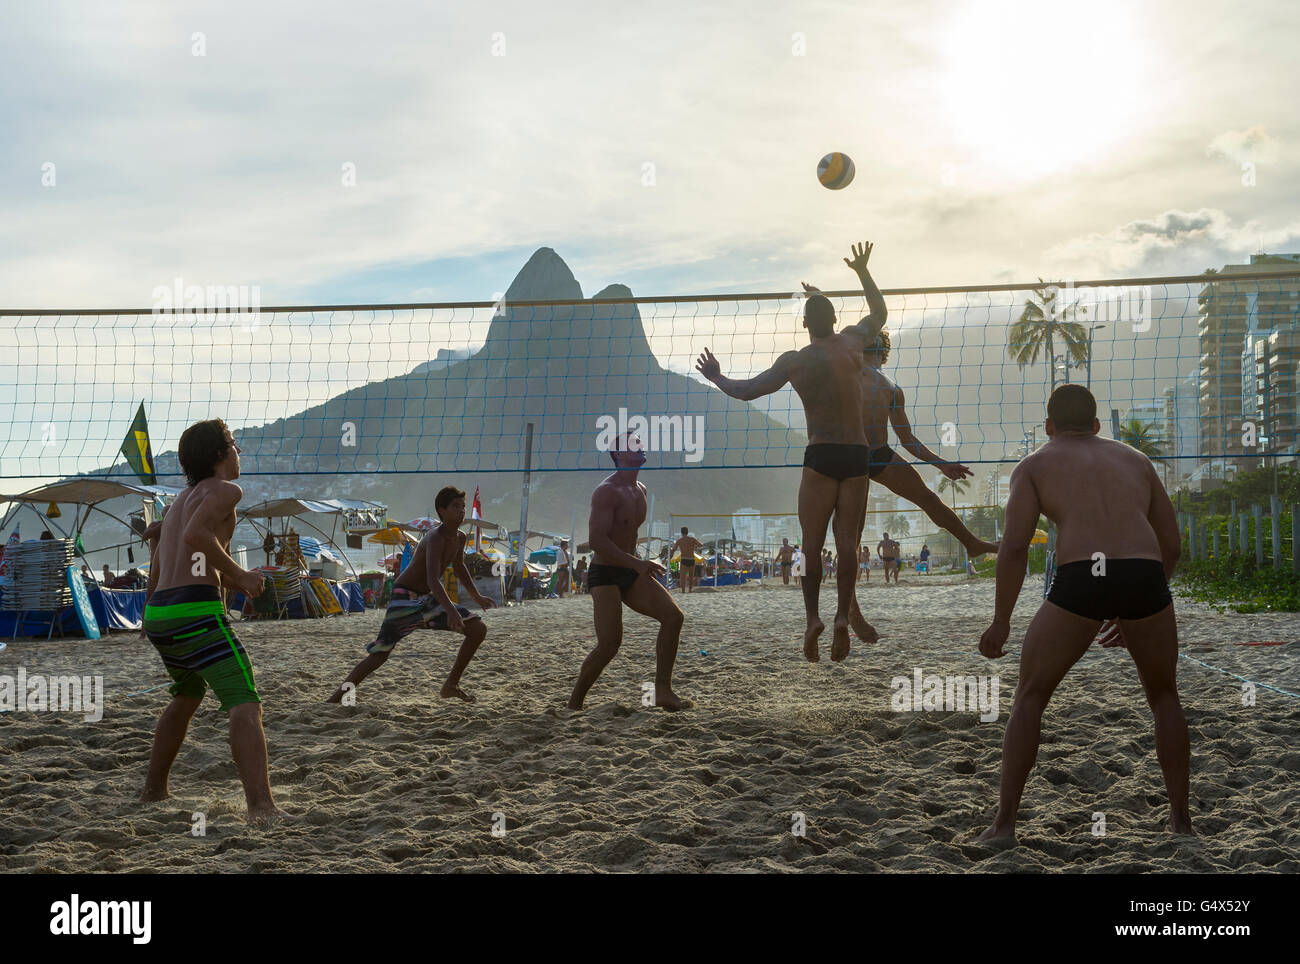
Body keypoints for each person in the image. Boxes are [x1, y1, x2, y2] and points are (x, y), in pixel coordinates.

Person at [976, 385, 1191, 841]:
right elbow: (1171, 546)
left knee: (1031, 695)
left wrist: (1001, 621)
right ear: (1096, 426)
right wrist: (1143, 596)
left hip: (1082, 577)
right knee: (1164, 696)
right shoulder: (1136, 460)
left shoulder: (1034, 464)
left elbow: (1014, 547)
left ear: (1049, 426)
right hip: (1144, 574)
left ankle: (1003, 825)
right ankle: (1181, 823)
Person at [697, 240, 888, 661]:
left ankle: (812, 619)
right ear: (835, 320)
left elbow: (746, 392)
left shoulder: (794, 361)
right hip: (856, 455)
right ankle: (842, 617)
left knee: (811, 543)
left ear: (805, 325)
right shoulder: (854, 344)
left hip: (821, 457)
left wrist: (716, 377)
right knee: (848, 543)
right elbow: (879, 312)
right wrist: (862, 271)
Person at [139, 418, 282, 824]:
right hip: (192, 611)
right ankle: (261, 808)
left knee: (186, 696)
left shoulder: (175, 503)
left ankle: (153, 791)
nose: (239, 452)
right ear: (221, 455)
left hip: (163, 613)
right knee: (244, 700)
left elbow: (162, 560)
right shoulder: (226, 490)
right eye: (235, 445)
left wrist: (149, 613)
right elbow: (197, 537)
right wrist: (240, 575)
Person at [329, 486, 496, 704]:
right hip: (404, 597)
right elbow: (432, 579)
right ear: (442, 510)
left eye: (463, 507)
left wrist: (477, 597)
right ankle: (335, 699)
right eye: (456, 506)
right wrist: (451, 610)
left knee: (477, 629)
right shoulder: (435, 537)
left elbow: (459, 566)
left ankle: (451, 685)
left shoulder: (460, 537)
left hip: (427, 599)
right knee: (380, 654)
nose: (461, 511)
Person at [568, 434, 689, 711]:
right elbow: (597, 540)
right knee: (610, 644)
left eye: (639, 443)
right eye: (630, 445)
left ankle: (662, 691)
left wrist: (636, 564)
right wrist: (637, 564)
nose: (638, 447)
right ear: (617, 455)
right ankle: (574, 703)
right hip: (606, 573)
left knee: (673, 618)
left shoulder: (641, 490)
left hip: (631, 569)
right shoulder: (606, 491)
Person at [671, 527, 703, 593]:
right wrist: (695, 545)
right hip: (691, 559)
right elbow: (701, 545)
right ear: (687, 532)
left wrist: (670, 555)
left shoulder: (679, 541)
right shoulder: (692, 539)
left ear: (681, 532)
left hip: (684, 559)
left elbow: (673, 549)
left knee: (683, 577)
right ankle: (690, 590)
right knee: (691, 576)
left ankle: (683, 591)